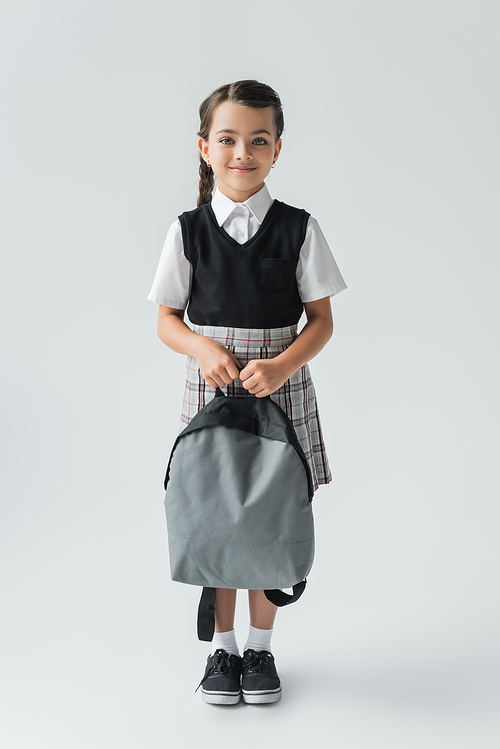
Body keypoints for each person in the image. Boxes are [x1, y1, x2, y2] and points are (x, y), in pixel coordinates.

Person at [147, 79, 347, 705]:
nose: (243, 153)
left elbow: (321, 322)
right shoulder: (187, 231)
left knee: (267, 516)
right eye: (228, 139)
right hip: (211, 396)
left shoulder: (298, 229)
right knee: (215, 514)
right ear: (204, 148)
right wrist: (205, 349)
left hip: (279, 391)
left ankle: (260, 649)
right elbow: (165, 320)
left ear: (277, 149)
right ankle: (222, 651)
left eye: (258, 141)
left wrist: (282, 365)